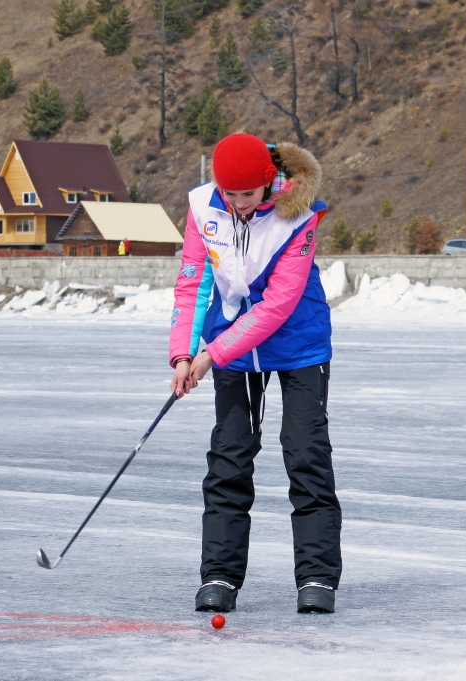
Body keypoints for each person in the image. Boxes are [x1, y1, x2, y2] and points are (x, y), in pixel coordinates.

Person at [168, 133, 340, 614]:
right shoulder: (205, 208)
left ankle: (317, 578)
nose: (239, 204)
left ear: (270, 182)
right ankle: (220, 575)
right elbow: (193, 282)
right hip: (233, 352)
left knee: (306, 454)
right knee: (229, 456)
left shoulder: (299, 218)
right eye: (230, 194)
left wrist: (210, 356)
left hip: (299, 345)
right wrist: (183, 353)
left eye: (247, 194)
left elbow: (276, 308)